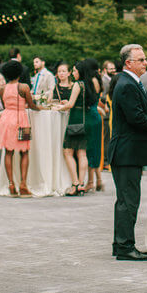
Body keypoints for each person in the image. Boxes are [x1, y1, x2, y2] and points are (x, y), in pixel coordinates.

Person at [110, 44, 147, 261]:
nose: (146, 63)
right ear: (129, 63)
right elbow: (136, 118)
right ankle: (125, 247)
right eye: (141, 59)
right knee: (129, 201)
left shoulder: (132, 82)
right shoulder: (126, 85)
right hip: (126, 152)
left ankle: (120, 243)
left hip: (128, 152)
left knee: (125, 200)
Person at [0, 60, 43, 197]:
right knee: (24, 151)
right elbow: (31, 104)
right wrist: (40, 108)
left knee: (8, 152)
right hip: (21, 120)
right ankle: (23, 184)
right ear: (19, 72)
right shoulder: (24, 87)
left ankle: (11, 184)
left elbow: (4, 105)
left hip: (6, 120)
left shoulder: (2, 89)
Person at [58, 63, 89, 196]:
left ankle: (75, 183)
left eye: (75, 71)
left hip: (75, 119)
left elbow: (70, 104)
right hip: (85, 119)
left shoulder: (78, 84)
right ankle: (82, 184)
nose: (74, 73)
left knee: (67, 152)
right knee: (82, 153)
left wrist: (58, 108)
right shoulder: (89, 83)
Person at [77, 59, 106, 192]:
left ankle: (91, 182)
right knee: (94, 149)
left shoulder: (91, 81)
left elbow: (91, 99)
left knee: (90, 149)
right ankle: (98, 180)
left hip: (90, 115)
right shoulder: (97, 79)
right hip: (95, 115)